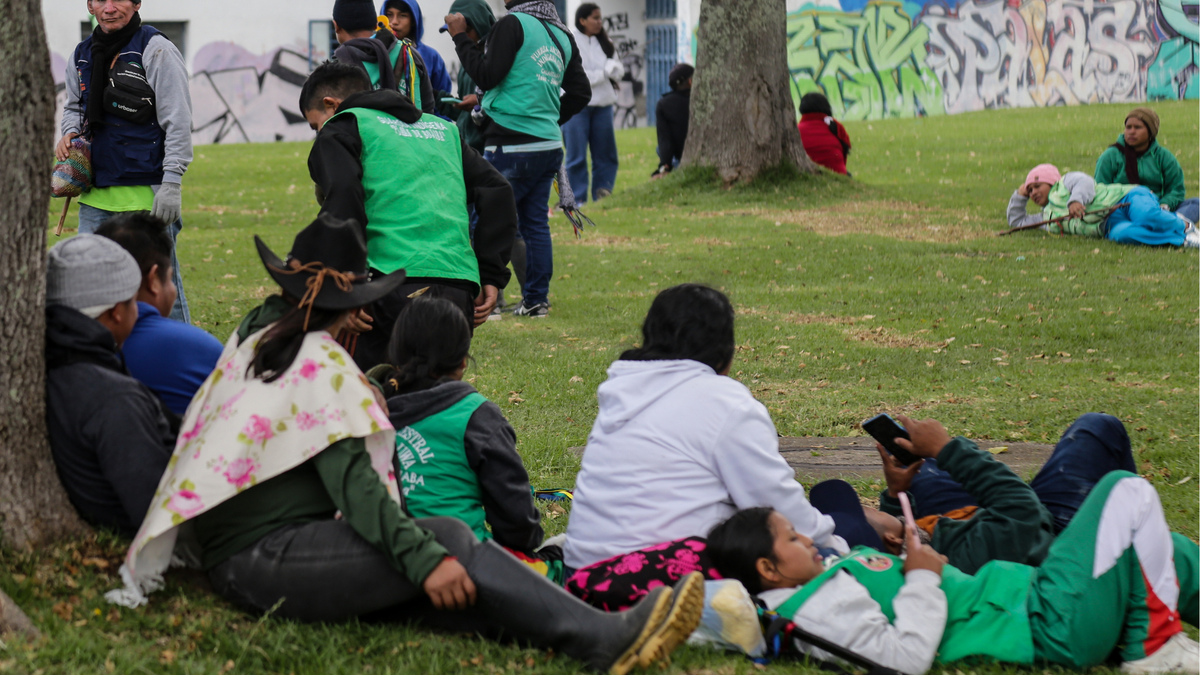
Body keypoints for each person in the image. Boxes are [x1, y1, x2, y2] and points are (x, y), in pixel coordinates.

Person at [105, 215, 706, 675]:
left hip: (246, 555)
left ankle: (577, 630)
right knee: (446, 541)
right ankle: (603, 638)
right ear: (353, 305)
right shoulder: (320, 368)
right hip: (261, 560)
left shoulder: (262, 333)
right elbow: (358, 492)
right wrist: (427, 560)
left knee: (442, 577)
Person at [707, 471, 1200, 675]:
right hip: (1045, 621)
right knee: (1124, 491)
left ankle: (1154, 634)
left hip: (1036, 598)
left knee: (1170, 550)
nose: (807, 539)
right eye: (792, 539)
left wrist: (915, 555)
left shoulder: (816, 579)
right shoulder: (812, 608)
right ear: (769, 569)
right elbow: (903, 659)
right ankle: (1153, 649)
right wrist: (921, 576)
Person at [562, 284, 848, 610]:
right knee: (848, 525)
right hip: (662, 587)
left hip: (583, 575)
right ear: (725, 349)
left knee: (841, 507)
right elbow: (781, 509)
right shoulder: (724, 401)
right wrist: (837, 545)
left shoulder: (623, 389)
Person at [300, 62, 516, 369]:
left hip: (384, 287)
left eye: (315, 125)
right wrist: (491, 273)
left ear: (331, 105)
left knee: (372, 392)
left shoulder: (343, 125)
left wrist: (345, 285)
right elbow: (498, 190)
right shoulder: (444, 130)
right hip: (457, 288)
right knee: (437, 391)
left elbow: (344, 197)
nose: (318, 133)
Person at [447, 0, 591, 319]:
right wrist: (545, 119)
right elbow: (581, 92)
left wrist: (459, 37)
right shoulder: (561, 32)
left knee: (487, 220)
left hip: (510, 146)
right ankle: (536, 301)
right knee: (534, 223)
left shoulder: (513, 24)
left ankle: (487, 303)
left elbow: (486, 75)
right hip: (547, 145)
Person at [56, 0, 193, 323]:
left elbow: (178, 120)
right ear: (90, 5)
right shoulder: (81, 54)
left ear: (137, 3)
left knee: (161, 295)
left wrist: (172, 184)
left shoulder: (156, 48)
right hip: (95, 199)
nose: (109, 7)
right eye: (100, 0)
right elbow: (73, 106)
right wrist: (70, 132)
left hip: (147, 198)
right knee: (93, 293)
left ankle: (179, 351)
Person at [374, 296, 542, 553]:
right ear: (463, 361)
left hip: (376, 560)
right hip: (461, 561)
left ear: (394, 354)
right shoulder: (476, 414)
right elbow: (518, 525)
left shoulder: (369, 408)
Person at [870, 414, 1139, 575]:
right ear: (894, 539)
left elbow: (892, 542)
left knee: (920, 462)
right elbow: (1021, 507)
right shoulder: (968, 557)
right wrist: (946, 449)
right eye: (866, 510)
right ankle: (1137, 566)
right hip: (1041, 535)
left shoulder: (893, 552)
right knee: (1098, 427)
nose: (868, 506)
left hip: (956, 525)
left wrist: (895, 494)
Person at [44, 235, 175, 538]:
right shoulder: (114, 399)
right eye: (134, 301)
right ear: (117, 311)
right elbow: (157, 512)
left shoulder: (57, 363)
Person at [95, 212, 223, 417]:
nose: (173, 289)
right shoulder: (201, 348)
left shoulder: (70, 342)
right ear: (154, 279)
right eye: (170, 278)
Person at [1007, 163, 1198, 247]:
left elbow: (1085, 182)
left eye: (1037, 186)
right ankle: (1182, 240)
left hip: (1126, 199)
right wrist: (1020, 195)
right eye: (1029, 191)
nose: (1033, 193)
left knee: (1146, 216)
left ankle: (1185, 226)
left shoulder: (1065, 181)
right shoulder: (1046, 218)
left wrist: (1076, 201)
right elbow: (1017, 221)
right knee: (1124, 235)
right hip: (1109, 226)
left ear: (1051, 182)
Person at [562, 3, 624, 203]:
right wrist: (604, 73)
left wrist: (615, 69)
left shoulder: (605, 42)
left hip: (603, 106)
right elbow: (577, 77)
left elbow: (618, 69)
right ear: (582, 20)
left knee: (605, 153)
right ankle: (577, 198)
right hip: (576, 107)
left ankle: (603, 191)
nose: (599, 22)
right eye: (595, 18)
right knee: (576, 155)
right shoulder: (569, 41)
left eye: (600, 18)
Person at [1094, 107, 1198, 223]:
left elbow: (1176, 190)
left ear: (1150, 132)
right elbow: (1100, 191)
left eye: (1137, 127)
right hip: (1124, 210)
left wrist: (1164, 205)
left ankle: (1165, 222)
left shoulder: (1163, 157)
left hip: (1158, 207)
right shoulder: (1110, 156)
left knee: (1195, 203)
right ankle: (1173, 225)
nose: (1131, 132)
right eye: (1128, 127)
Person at [332, 0, 435, 113]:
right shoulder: (409, 53)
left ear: (336, 26)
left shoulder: (336, 65)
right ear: (375, 24)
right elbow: (428, 108)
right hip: (413, 123)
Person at [381, 0, 452, 99]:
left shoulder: (431, 56)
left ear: (414, 21)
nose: (394, 22)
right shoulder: (374, 52)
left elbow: (442, 100)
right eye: (389, 15)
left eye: (403, 16)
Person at [651, 64, 692, 178]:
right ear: (690, 81)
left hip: (680, 155)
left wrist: (665, 165)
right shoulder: (701, 99)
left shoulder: (664, 104)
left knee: (659, 149)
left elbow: (665, 139)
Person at [796, 92, 851, 175]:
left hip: (808, 174)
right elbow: (846, 149)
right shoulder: (835, 125)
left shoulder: (797, 129)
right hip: (839, 174)